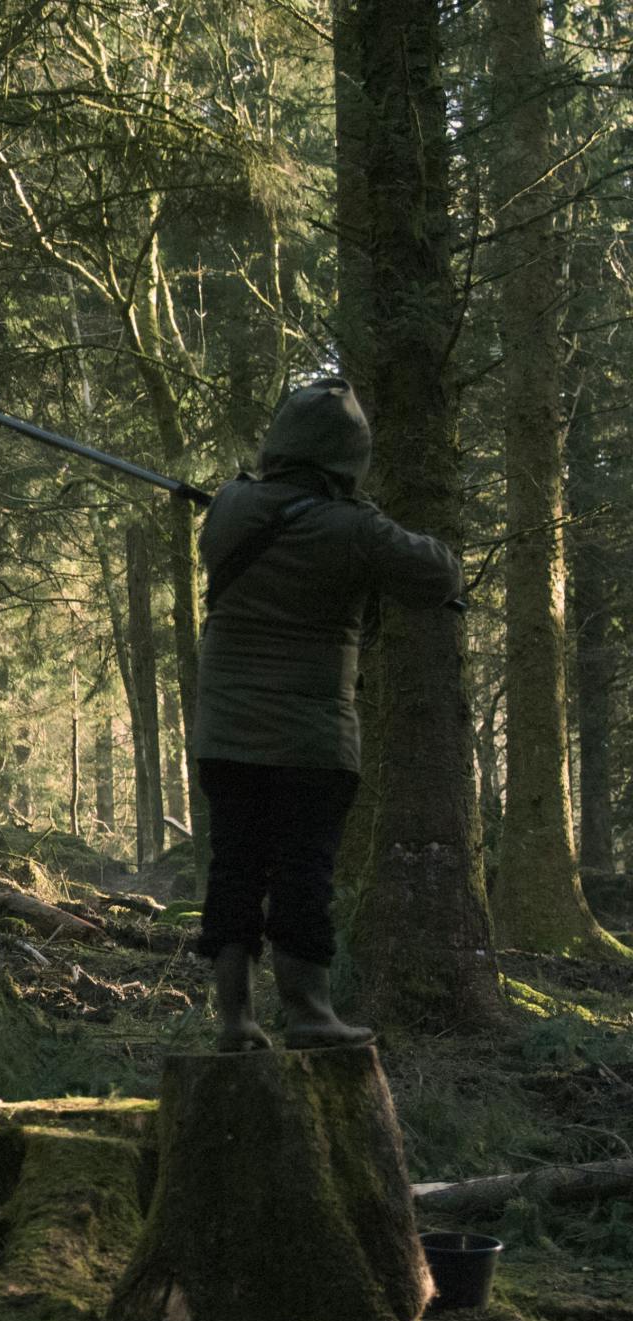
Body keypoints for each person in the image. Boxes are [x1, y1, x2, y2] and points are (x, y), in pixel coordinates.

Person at [191, 377, 464, 1052]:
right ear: (349, 457)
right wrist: (360, 513)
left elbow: (225, 539)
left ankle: (234, 1019)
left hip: (226, 734)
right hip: (311, 738)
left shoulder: (229, 507)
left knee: (234, 867)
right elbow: (439, 573)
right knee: (303, 874)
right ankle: (309, 1011)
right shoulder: (356, 529)